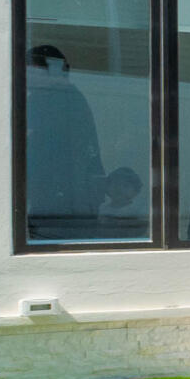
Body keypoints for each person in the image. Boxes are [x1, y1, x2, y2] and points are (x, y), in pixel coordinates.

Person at [25, 44, 109, 237]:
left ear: (49, 71)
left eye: (29, 70)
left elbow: (35, 147)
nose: (25, 76)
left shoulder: (47, 100)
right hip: (72, 202)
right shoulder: (73, 98)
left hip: (57, 206)